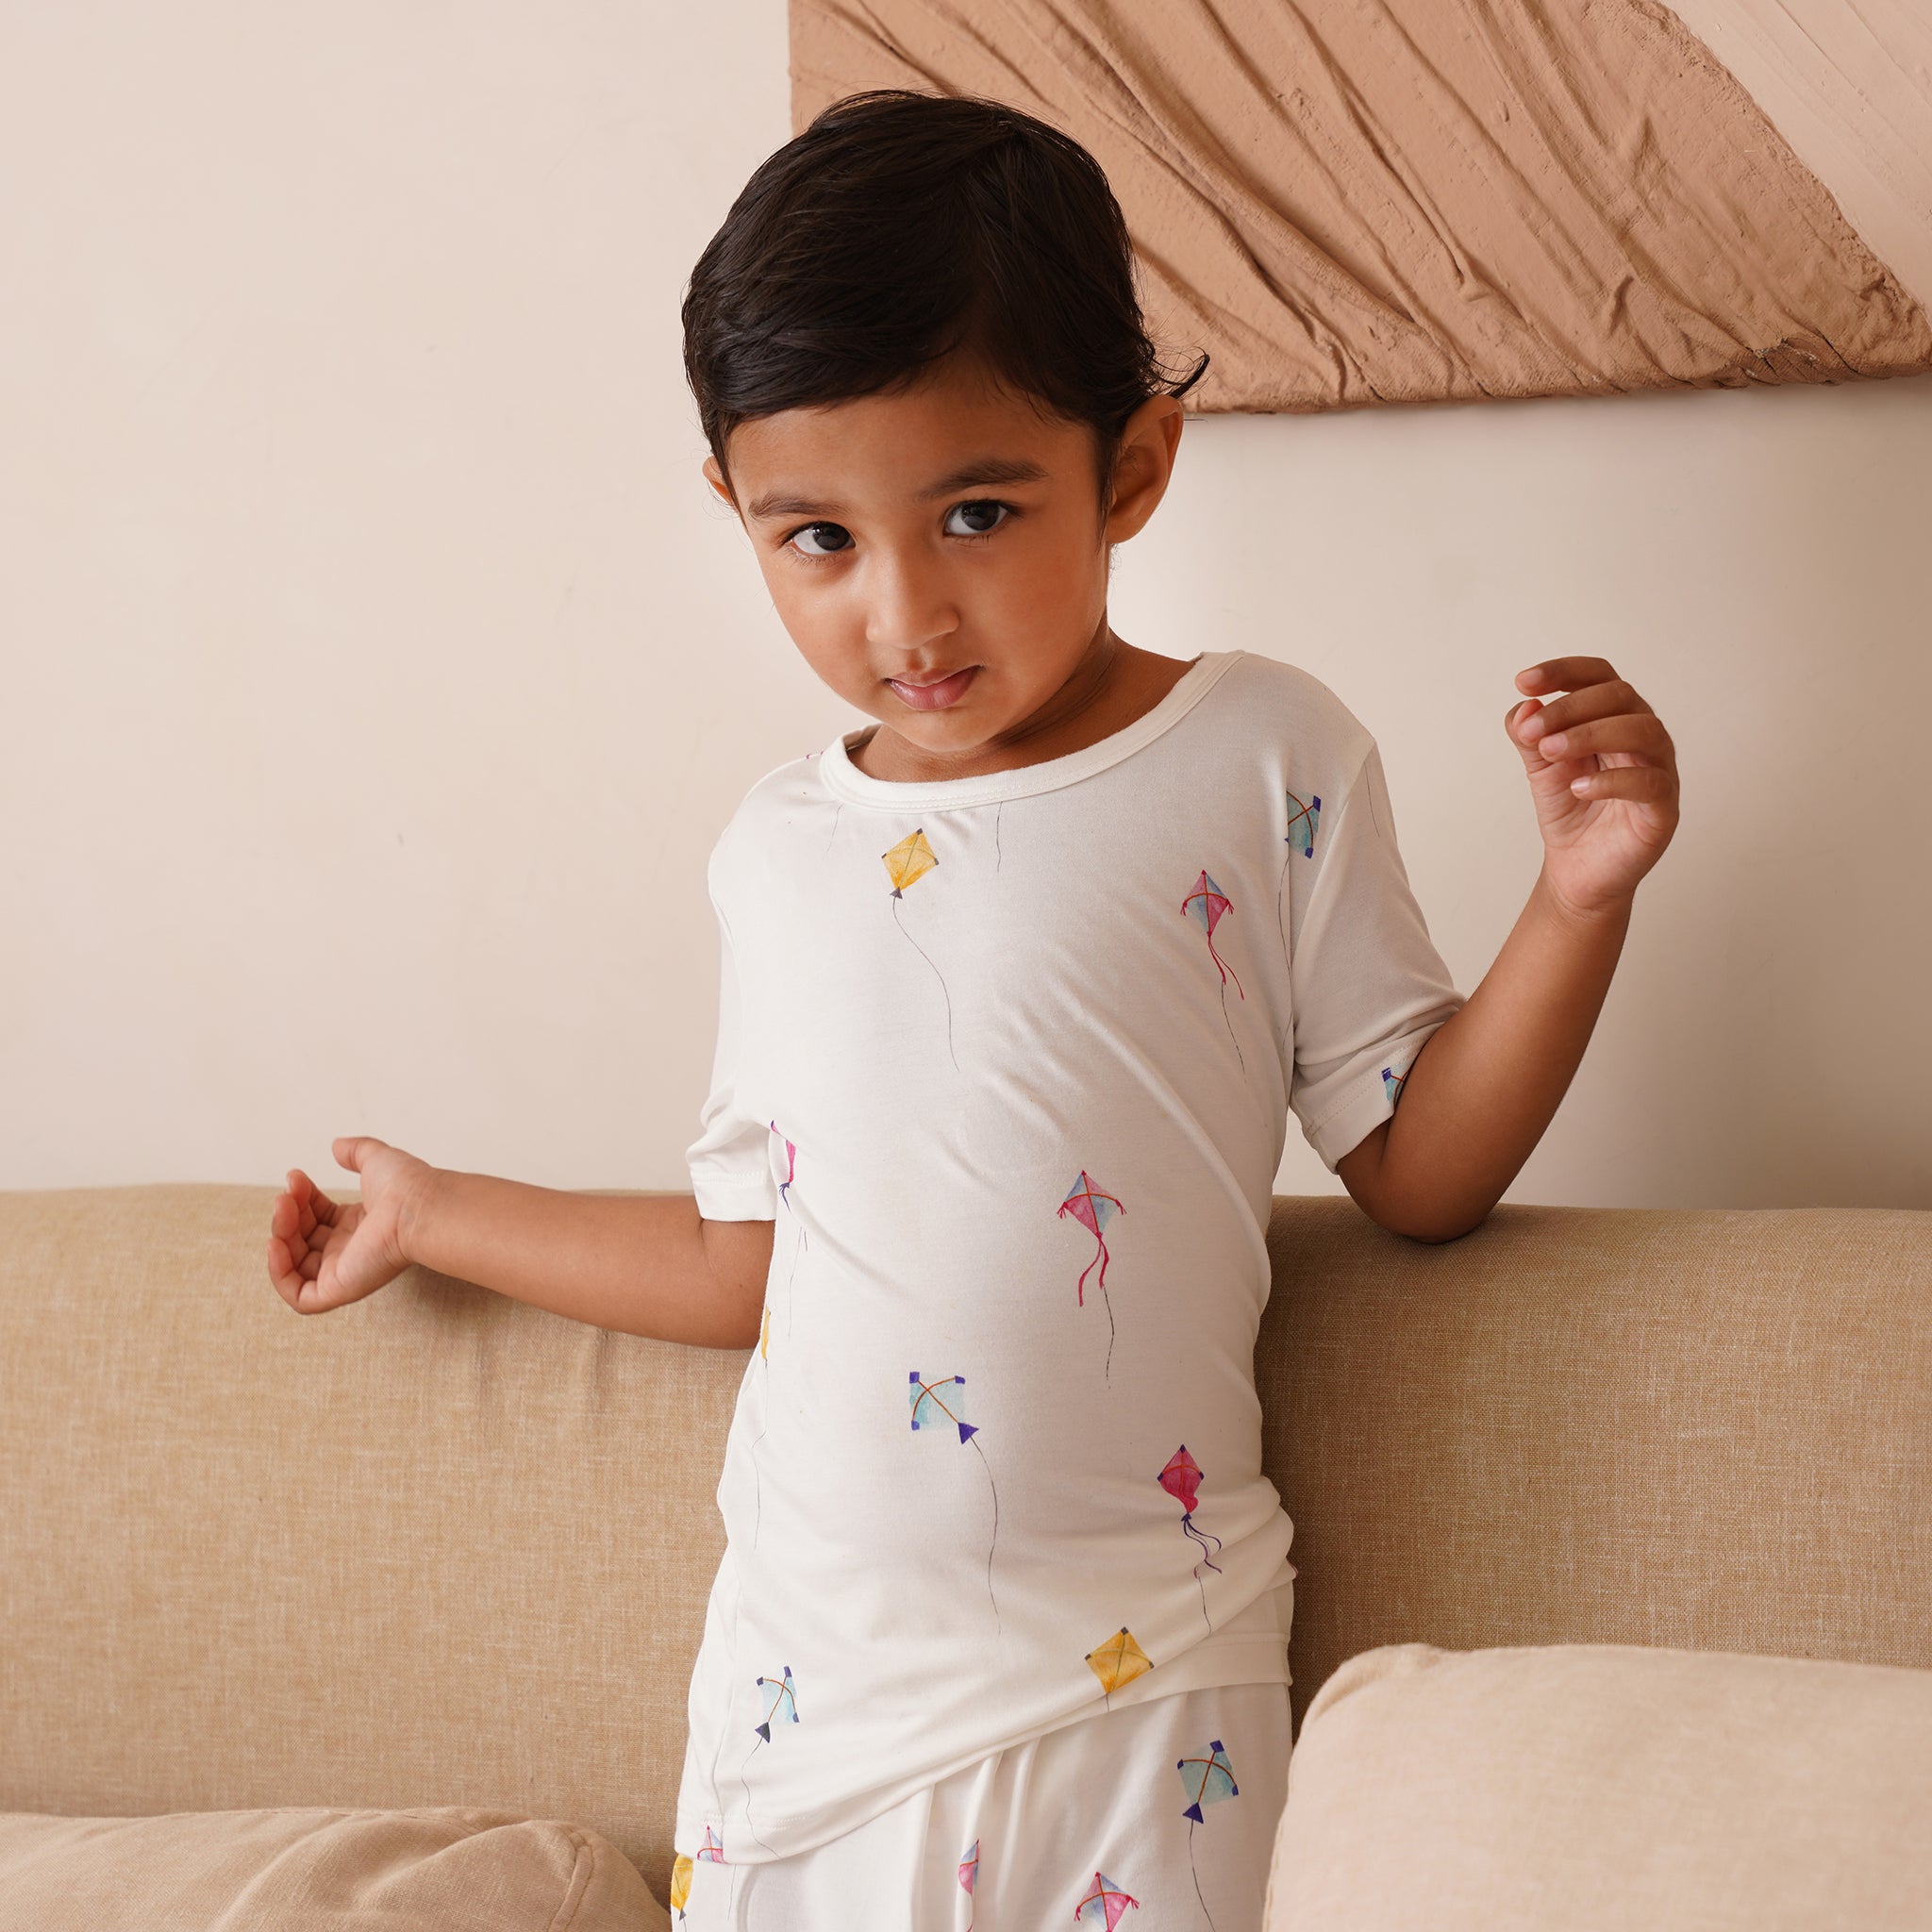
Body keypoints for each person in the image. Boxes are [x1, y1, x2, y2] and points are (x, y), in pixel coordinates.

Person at [266, 89, 1680, 1930]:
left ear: (1135, 468)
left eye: (979, 511)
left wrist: (1577, 899)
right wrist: (435, 1210)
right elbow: (744, 1262)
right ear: (734, 512)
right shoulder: (777, 850)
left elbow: (1413, 1164)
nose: (904, 612)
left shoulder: (1264, 752)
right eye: (818, 542)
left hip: (1150, 1679)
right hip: (813, 1706)